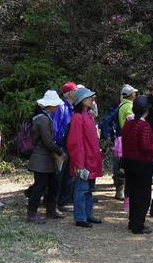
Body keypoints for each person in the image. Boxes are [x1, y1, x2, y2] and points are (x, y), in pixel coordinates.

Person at [122, 96, 153, 234]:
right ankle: (138, 225)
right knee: (142, 196)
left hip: (129, 162)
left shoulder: (128, 123)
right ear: (146, 110)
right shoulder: (143, 125)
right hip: (142, 164)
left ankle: (133, 222)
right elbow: (146, 147)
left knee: (133, 193)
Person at [26, 90, 67, 223]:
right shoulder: (43, 119)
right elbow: (47, 142)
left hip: (45, 159)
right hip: (41, 158)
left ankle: (51, 210)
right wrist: (60, 152)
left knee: (52, 184)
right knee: (40, 187)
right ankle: (31, 214)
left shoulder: (44, 117)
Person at [66, 86, 103, 227]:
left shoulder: (88, 115)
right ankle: (80, 217)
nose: (91, 99)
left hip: (91, 159)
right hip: (83, 160)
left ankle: (88, 214)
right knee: (81, 189)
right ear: (81, 101)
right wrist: (79, 164)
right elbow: (75, 143)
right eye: (88, 98)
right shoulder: (77, 117)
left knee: (89, 190)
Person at [55, 81, 78, 211]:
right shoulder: (61, 107)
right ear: (69, 93)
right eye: (75, 91)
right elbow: (56, 127)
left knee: (67, 175)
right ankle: (56, 202)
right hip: (62, 146)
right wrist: (60, 143)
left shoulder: (72, 107)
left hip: (70, 146)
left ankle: (63, 202)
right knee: (59, 175)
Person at [114, 84, 138, 205]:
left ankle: (120, 190)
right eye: (134, 93)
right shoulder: (128, 105)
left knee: (122, 166)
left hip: (121, 138)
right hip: (127, 139)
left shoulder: (121, 104)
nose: (135, 94)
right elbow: (132, 120)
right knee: (125, 167)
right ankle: (123, 192)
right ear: (130, 95)